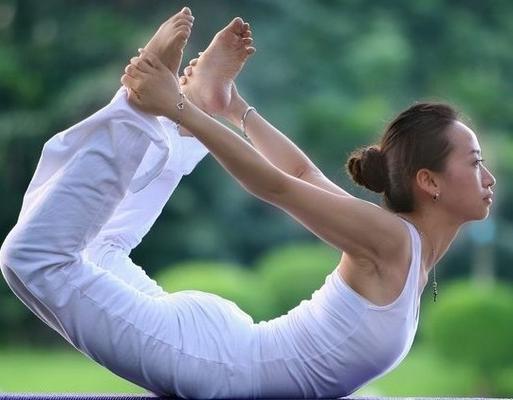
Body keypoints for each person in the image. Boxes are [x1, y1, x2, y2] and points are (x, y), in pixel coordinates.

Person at [0, 6, 496, 400]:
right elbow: (279, 185)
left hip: (223, 351)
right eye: (474, 162)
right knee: (33, 258)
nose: (488, 176)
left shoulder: (397, 247)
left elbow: (302, 174)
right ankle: (140, 107)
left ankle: (182, 107)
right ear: (429, 181)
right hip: (215, 363)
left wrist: (235, 109)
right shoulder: (394, 244)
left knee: (99, 247)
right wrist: (174, 104)